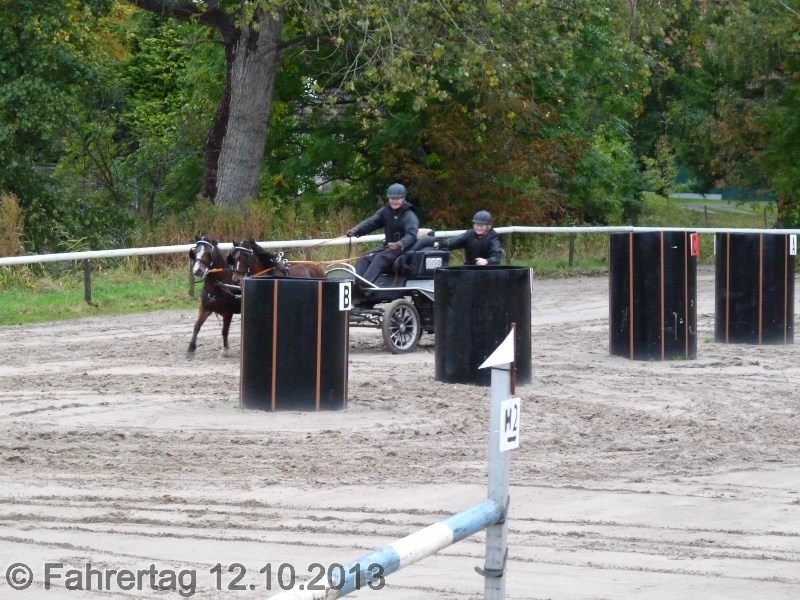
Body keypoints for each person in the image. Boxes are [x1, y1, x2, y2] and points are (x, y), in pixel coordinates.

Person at [345, 183, 420, 282]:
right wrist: (357, 229)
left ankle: (365, 285)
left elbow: (411, 235)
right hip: (388, 248)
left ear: (403, 198)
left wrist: (399, 244)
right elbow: (372, 222)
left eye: (397, 199)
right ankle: (353, 282)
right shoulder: (386, 211)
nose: (394, 201)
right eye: (392, 199)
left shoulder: (409, 215)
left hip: (403, 250)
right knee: (365, 256)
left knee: (380, 258)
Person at [436, 210, 503, 265]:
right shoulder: (469, 234)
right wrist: (439, 244)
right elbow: (454, 242)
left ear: (488, 226)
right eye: (477, 225)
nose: (478, 228)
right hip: (469, 270)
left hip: (488, 271)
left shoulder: (494, 238)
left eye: (482, 225)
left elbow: (496, 257)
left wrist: (486, 261)